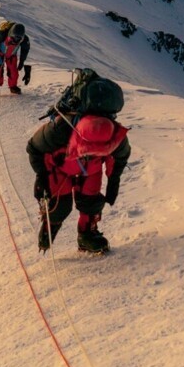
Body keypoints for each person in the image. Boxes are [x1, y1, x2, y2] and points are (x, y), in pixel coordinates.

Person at [26, 103, 130, 254]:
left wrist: (114, 182)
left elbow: (120, 158)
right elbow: (34, 148)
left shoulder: (116, 137)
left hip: (91, 170)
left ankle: (87, 236)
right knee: (60, 205)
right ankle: (50, 227)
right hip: (60, 167)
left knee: (91, 202)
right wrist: (41, 176)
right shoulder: (60, 129)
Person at [0, 21, 30, 95]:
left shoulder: (25, 40)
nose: (16, 40)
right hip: (0, 53)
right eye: (14, 37)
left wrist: (22, 61)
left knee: (13, 71)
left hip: (11, 55)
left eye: (18, 39)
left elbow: (25, 50)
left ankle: (13, 86)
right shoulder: (2, 34)